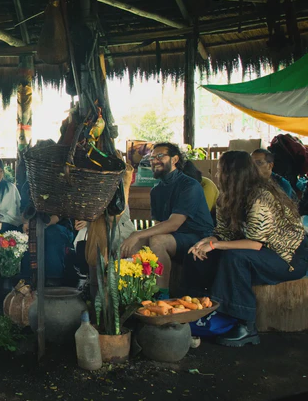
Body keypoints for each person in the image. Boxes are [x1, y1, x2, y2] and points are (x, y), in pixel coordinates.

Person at [186, 151, 308, 347]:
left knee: (235, 257)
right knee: (196, 254)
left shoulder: (261, 197)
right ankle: (197, 309)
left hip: (288, 258)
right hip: (256, 252)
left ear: (234, 174)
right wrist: (205, 242)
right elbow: (223, 233)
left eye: (221, 171)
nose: (217, 176)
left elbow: (256, 243)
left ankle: (245, 325)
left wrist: (214, 245)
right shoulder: (226, 198)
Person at [120, 143, 214, 296]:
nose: (154, 161)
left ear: (174, 159)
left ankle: (162, 296)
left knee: (157, 241)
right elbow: (159, 225)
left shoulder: (189, 185)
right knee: (135, 243)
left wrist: (137, 233)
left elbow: (174, 224)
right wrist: (137, 238)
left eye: (160, 156)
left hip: (199, 238)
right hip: (175, 238)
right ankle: (136, 293)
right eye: (151, 158)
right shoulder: (156, 190)